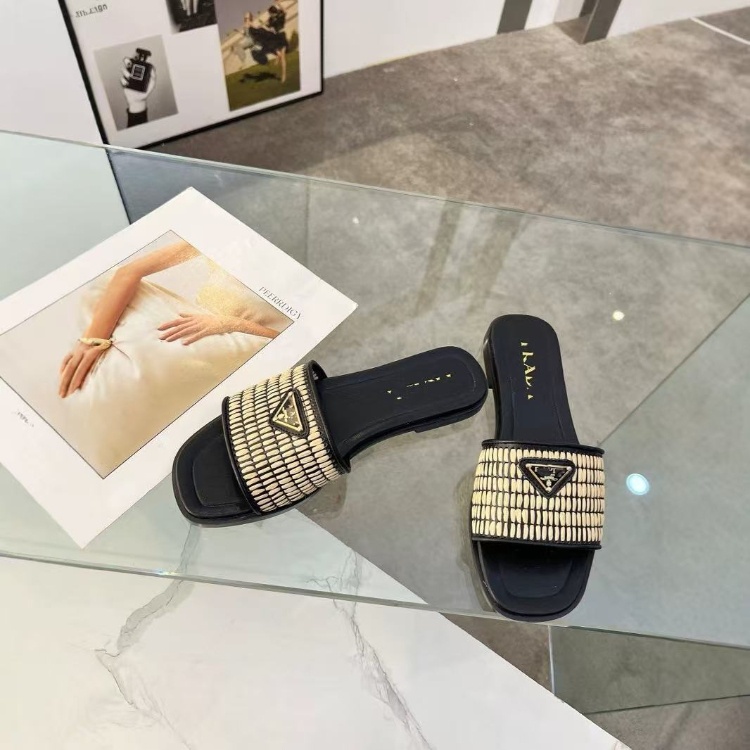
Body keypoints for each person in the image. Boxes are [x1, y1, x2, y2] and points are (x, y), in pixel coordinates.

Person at [58, 238, 280, 399]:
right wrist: (93, 339)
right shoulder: (227, 237)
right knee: (102, 286)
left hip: (244, 336)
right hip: (190, 320)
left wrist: (229, 323)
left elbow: (286, 340)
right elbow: (130, 271)